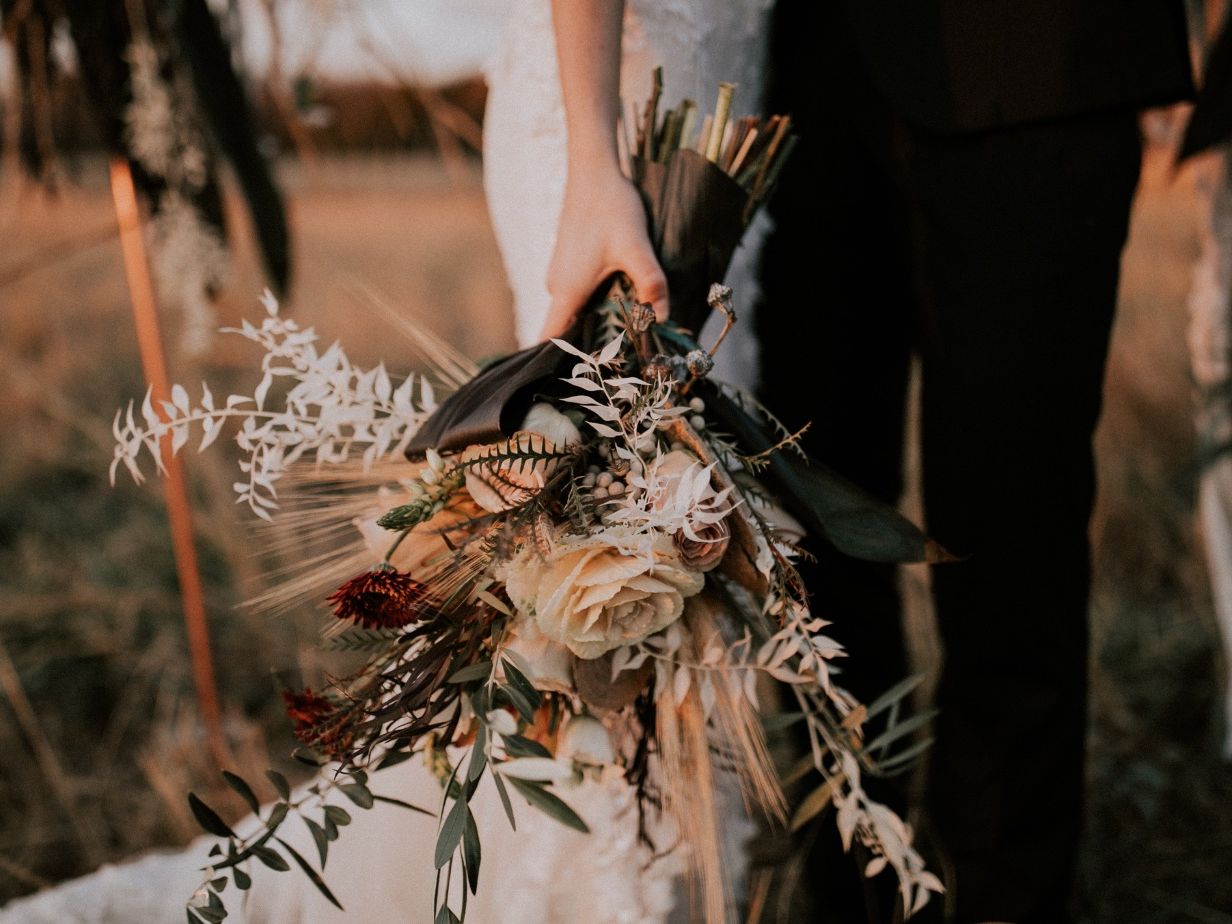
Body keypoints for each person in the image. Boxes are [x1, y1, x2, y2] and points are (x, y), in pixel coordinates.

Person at [754, 3, 1193, 923]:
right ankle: (852, 886)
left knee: (1011, 532)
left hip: (1041, 53)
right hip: (792, 68)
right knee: (805, 523)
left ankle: (1007, 895)